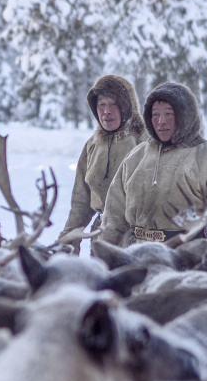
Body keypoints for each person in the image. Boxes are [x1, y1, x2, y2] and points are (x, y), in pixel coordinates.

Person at [99, 81, 207, 247]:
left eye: (169, 114)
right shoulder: (135, 157)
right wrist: (106, 253)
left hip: (189, 256)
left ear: (185, 116)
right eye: (155, 114)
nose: (161, 121)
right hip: (139, 255)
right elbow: (113, 216)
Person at [58, 75, 147, 253]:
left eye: (113, 103)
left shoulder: (146, 142)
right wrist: (70, 233)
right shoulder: (92, 145)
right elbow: (81, 199)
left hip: (138, 238)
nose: (107, 111)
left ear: (127, 106)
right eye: (101, 104)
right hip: (101, 236)